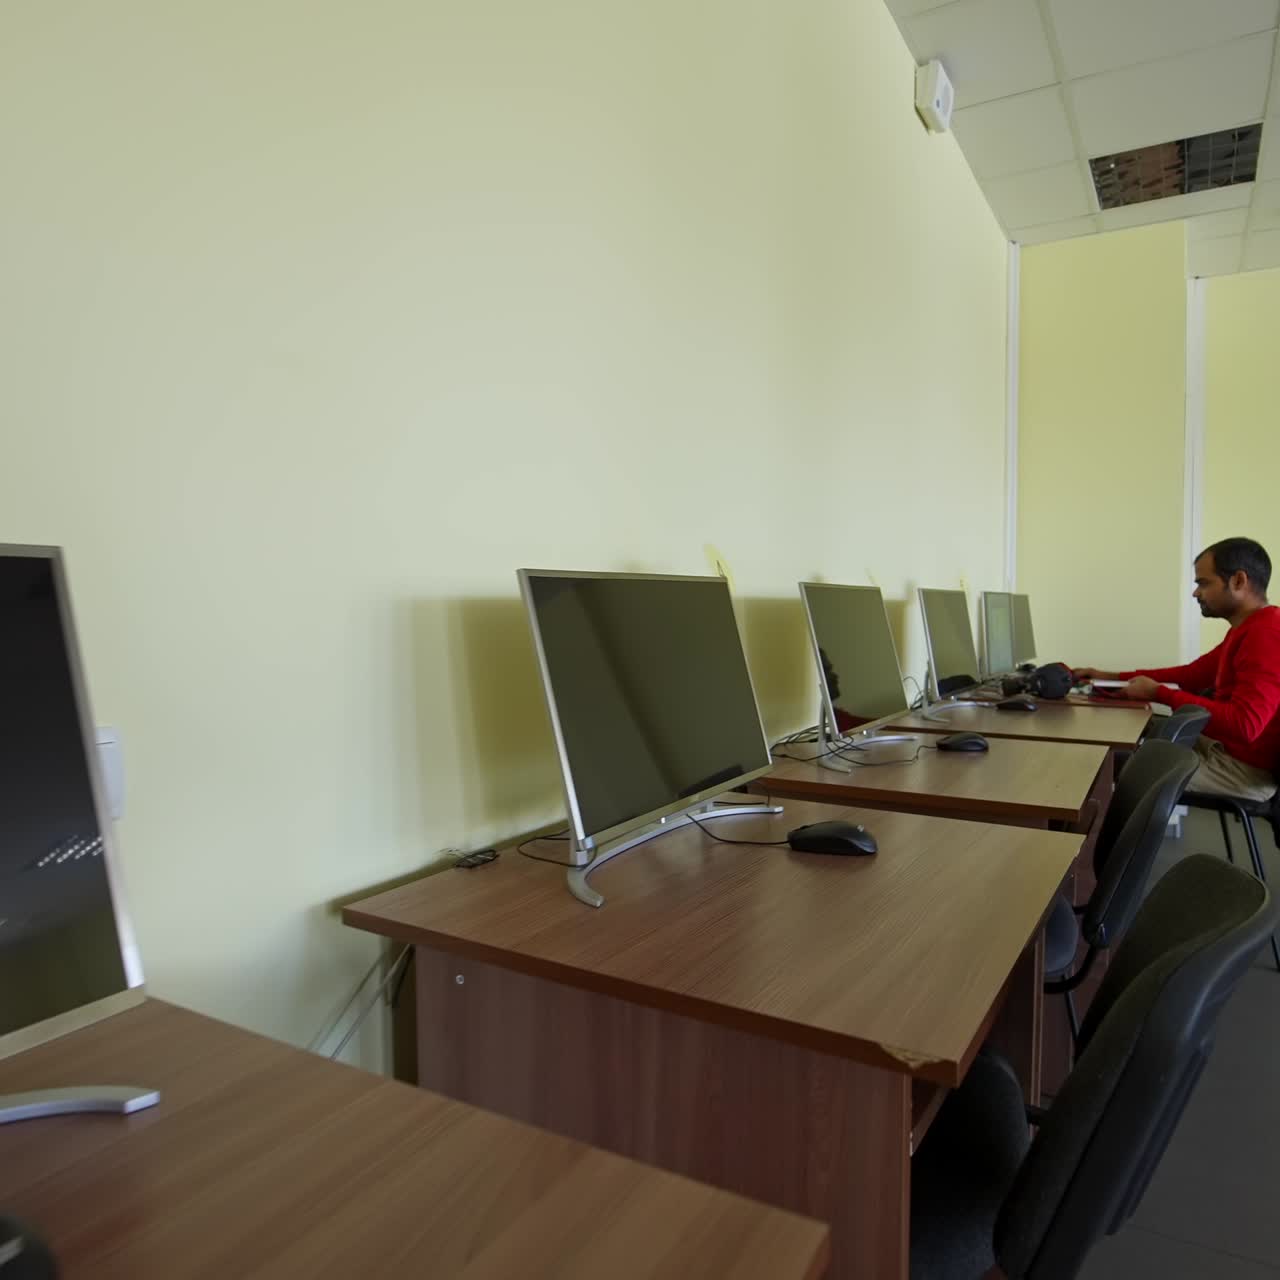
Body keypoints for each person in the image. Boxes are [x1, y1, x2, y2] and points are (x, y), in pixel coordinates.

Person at [1076, 536, 1280, 801]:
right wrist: (1110, 677)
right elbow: (1190, 676)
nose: (1196, 593)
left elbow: (1245, 725)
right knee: (1118, 741)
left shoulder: (1266, 634)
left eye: (1203, 583)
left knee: (1099, 763)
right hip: (1220, 749)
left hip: (1242, 771)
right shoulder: (1247, 628)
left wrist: (1159, 693)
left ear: (1238, 581)